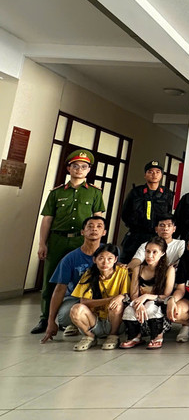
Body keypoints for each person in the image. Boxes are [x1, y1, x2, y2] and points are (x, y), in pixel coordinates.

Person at [32, 149, 106, 335]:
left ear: (88, 170)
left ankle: (75, 317)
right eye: (75, 166)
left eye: (84, 166)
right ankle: (45, 319)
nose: (79, 169)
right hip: (58, 240)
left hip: (83, 241)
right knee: (51, 280)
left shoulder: (94, 193)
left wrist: (99, 243)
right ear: (68, 169)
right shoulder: (56, 193)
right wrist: (42, 243)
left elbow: (98, 219)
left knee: (85, 277)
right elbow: (47, 219)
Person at [40, 215, 107, 344]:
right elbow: (59, 289)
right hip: (76, 298)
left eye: (99, 226)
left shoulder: (110, 253)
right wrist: (51, 321)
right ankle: (79, 323)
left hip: (102, 296)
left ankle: (85, 323)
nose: (94, 229)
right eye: (90, 226)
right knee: (64, 316)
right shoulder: (70, 258)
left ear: (104, 232)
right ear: (82, 232)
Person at [69, 243, 130, 352]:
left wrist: (119, 297)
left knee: (117, 304)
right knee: (76, 309)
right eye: (101, 258)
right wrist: (109, 300)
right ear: (94, 260)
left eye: (109, 259)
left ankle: (113, 336)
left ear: (116, 259)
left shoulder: (122, 272)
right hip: (94, 322)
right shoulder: (89, 274)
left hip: (115, 321)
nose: (105, 263)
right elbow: (84, 301)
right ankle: (89, 336)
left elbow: (126, 294)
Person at [121, 237, 175, 349]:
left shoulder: (169, 270)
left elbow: (166, 295)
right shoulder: (138, 269)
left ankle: (157, 336)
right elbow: (134, 293)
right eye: (147, 251)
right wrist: (138, 304)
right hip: (140, 309)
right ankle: (135, 337)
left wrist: (146, 296)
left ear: (162, 253)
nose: (150, 255)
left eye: (155, 252)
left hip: (159, 310)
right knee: (129, 309)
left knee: (150, 306)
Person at [120, 160, 173, 263]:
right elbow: (125, 213)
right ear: (145, 175)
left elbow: (169, 215)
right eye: (150, 172)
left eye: (157, 172)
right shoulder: (136, 192)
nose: (154, 175)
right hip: (136, 236)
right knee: (128, 263)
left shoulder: (167, 194)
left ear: (161, 175)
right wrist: (135, 225)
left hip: (156, 237)